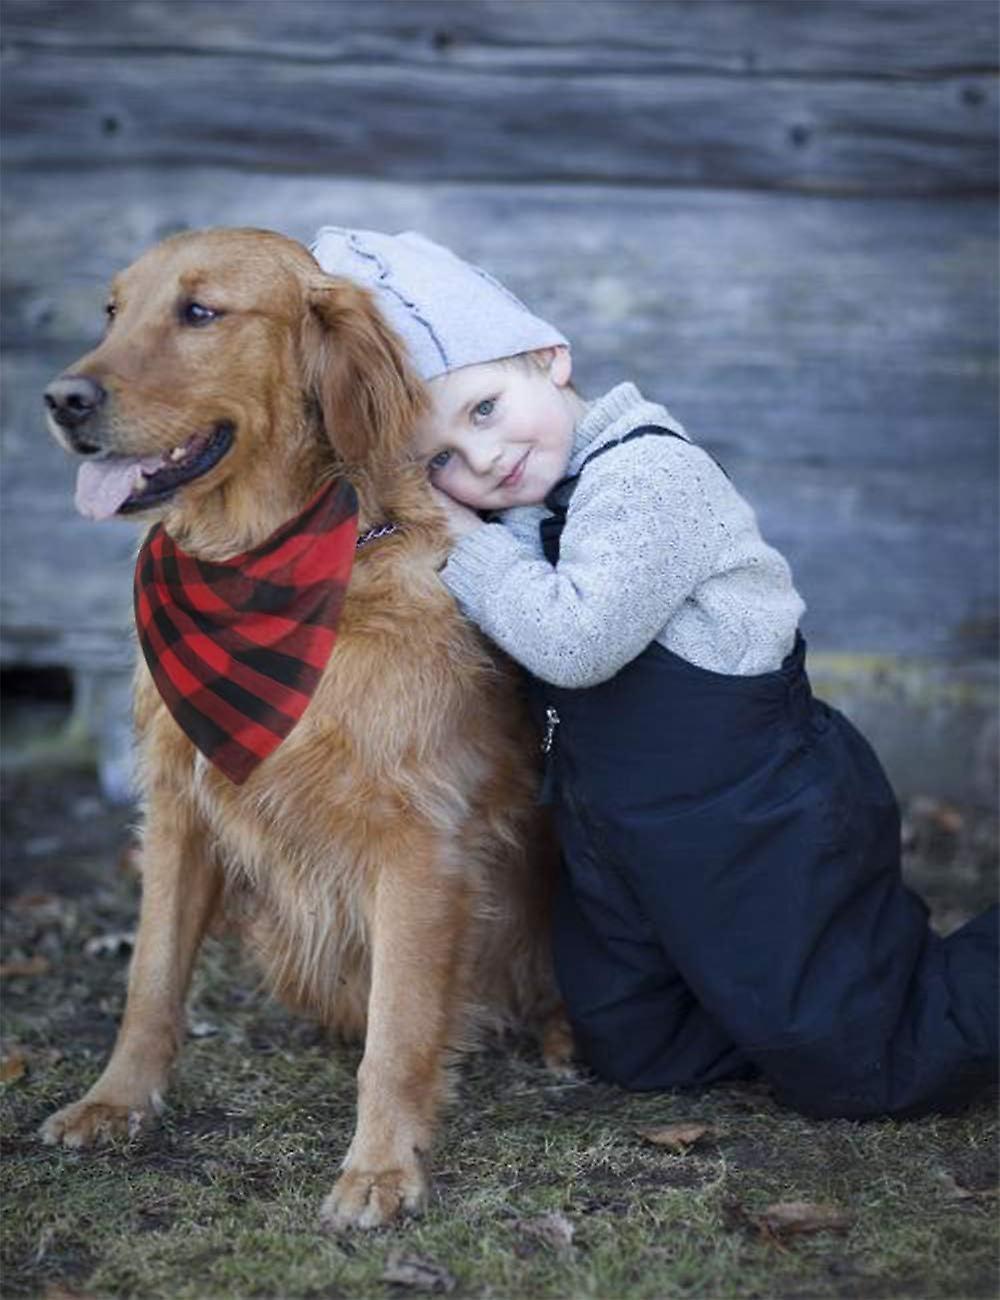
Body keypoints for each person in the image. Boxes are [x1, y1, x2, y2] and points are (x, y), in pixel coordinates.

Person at [311, 226, 999, 1120]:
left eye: (483, 409)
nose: (480, 459)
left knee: (863, 1064)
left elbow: (574, 643)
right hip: (621, 837)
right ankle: (754, 1003)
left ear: (548, 357)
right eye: (439, 460)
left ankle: (844, 1005)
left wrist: (464, 542)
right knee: (636, 1045)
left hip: (755, 819)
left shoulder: (648, 477)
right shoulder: (529, 510)